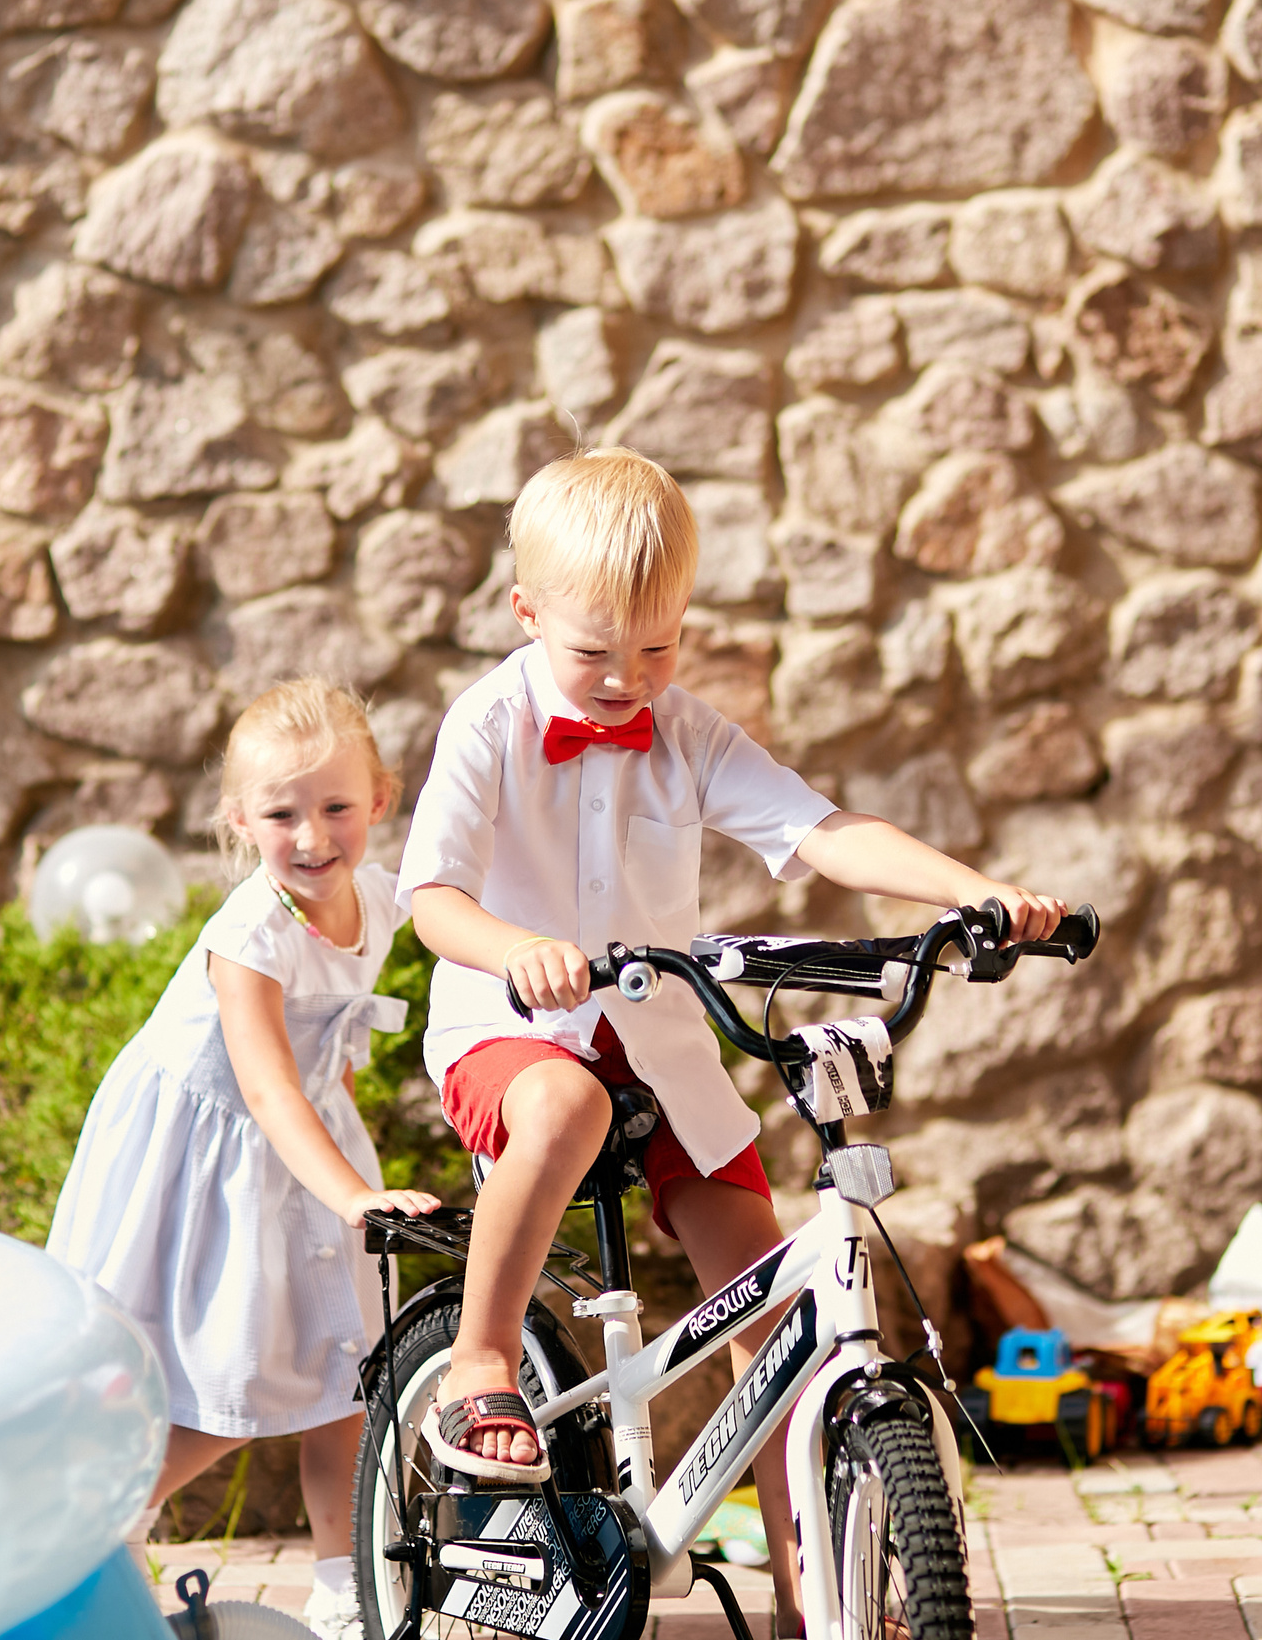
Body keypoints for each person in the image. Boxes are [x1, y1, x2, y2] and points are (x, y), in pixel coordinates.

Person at [398, 447, 1067, 1637]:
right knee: (563, 1108)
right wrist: (514, 951)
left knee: (780, 1330)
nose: (626, 680)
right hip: (513, 1027)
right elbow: (432, 899)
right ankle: (480, 1361)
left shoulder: (687, 733)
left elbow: (821, 832)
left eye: (656, 650)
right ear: (526, 614)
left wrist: (972, 894)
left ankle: (820, 1609)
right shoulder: (489, 723)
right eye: (594, 654)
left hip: (660, 1045)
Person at [48, 678, 440, 1640]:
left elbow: (318, 1065)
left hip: (306, 1142)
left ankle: (347, 1586)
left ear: (380, 800)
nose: (313, 836)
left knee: (347, 1374)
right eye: (282, 814)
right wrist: (352, 1192)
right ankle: (101, 1522)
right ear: (240, 821)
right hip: (210, 1147)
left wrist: (348, 1158)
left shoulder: (379, 901)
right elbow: (265, 1086)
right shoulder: (251, 933)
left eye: (337, 806)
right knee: (232, 1380)